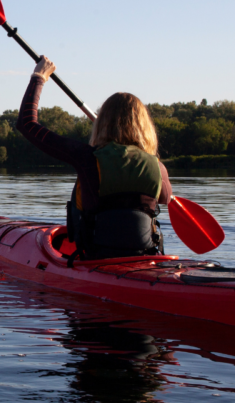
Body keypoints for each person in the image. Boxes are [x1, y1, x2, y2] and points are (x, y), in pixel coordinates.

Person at [17, 57, 172, 261]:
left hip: (97, 258)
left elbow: (27, 124)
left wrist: (39, 77)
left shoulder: (87, 158)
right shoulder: (157, 167)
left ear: (102, 124)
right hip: (145, 258)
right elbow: (165, 199)